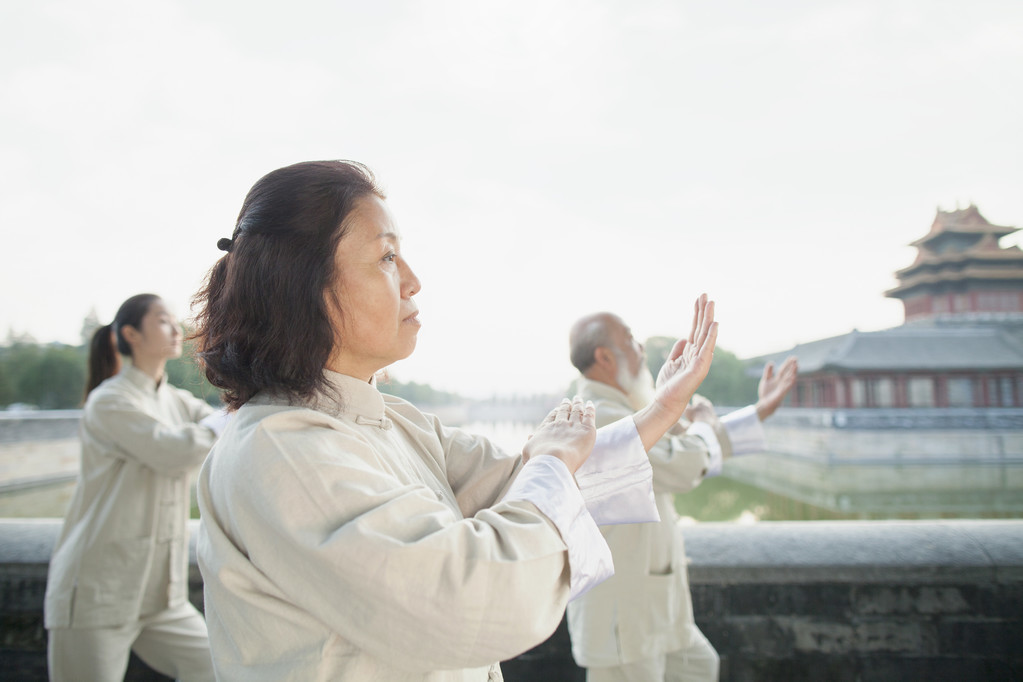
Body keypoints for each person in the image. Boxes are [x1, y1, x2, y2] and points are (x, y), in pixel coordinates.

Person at [190, 159, 721, 681]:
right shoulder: (282, 451)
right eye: (387, 258)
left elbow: (526, 477)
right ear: (304, 286)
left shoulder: (392, 421)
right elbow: (465, 597)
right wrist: (555, 458)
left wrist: (662, 409)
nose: (413, 281)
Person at [566, 311, 798, 682]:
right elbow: (683, 464)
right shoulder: (598, 417)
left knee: (700, 668)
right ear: (604, 357)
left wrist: (758, 412)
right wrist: (696, 421)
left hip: (656, 605)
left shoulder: (625, 410)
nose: (640, 348)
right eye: (629, 339)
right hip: (623, 614)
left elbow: (687, 444)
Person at [44, 294, 224, 681]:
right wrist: (218, 424)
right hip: (98, 591)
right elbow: (171, 450)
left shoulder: (177, 401)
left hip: (161, 596)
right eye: (163, 321)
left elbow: (227, 426)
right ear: (131, 334)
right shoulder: (109, 400)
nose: (177, 329)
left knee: (219, 668)